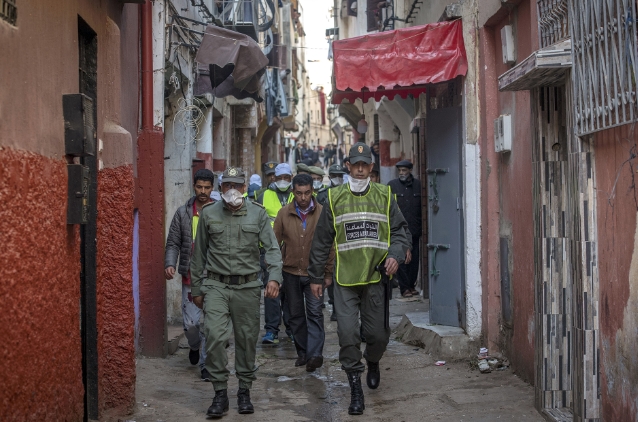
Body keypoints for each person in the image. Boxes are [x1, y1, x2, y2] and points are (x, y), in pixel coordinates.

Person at [308, 142, 409, 416]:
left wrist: (395, 254)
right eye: (357, 164)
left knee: (377, 335)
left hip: (376, 277)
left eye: (366, 164)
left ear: (372, 168)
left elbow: (401, 232)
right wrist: (317, 276)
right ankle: (355, 387)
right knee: (347, 333)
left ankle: (373, 361)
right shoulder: (333, 198)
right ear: (349, 166)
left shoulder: (385, 195)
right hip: (345, 279)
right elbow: (321, 242)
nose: (361, 169)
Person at [190, 166, 283, 417]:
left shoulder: (258, 214)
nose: (232, 190)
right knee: (215, 336)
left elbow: (272, 249)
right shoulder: (209, 214)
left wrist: (274, 277)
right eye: (227, 186)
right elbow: (198, 255)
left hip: (248, 286)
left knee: (246, 340)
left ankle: (244, 390)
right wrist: (197, 289)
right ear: (221, 189)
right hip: (216, 285)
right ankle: (220, 393)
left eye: (236, 186)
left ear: (244, 188)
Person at [273, 174, 334, 372]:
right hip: (290, 272)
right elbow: (274, 244)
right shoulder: (283, 214)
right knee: (295, 315)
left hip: (314, 273)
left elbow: (329, 245)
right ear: (293, 192)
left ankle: (315, 354)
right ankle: (303, 352)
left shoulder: (322, 213)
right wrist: (274, 273)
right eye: (299, 193)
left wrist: (328, 273)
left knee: (315, 312)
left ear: (312, 192)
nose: (303, 197)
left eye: (307, 193)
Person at [164, 169, 215, 381]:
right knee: (191, 325)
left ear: (213, 188)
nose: (203, 191)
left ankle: (206, 365)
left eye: (207, 187)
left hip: (214, 277)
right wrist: (170, 263)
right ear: (193, 187)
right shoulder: (183, 212)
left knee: (212, 324)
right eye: (199, 187)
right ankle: (194, 345)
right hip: (190, 278)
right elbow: (173, 242)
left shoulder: (218, 211)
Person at [256, 163, 295, 344]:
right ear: (274, 178)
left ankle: (291, 328)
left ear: (291, 178)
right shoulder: (263, 195)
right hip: (269, 250)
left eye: (286, 178)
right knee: (271, 290)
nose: (282, 181)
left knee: (291, 291)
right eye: (280, 178)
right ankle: (271, 330)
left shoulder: (298, 195)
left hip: (293, 250)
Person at [388, 160, 422, 298]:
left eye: (404, 170)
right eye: (400, 171)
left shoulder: (418, 185)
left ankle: (411, 285)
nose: (402, 173)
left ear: (410, 171)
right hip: (399, 229)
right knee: (401, 258)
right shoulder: (392, 185)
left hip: (414, 228)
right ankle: (404, 288)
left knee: (414, 260)